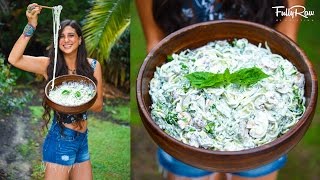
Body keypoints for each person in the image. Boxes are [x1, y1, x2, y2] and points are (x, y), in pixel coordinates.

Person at [135, 0, 304, 179]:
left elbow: (287, 39)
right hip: (183, 134)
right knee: (190, 172)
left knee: (256, 171)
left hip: (265, 131)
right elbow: (155, 45)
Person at [8, 3, 103, 180]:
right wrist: (31, 25)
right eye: (61, 37)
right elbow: (14, 59)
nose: (66, 40)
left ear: (80, 39)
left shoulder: (93, 66)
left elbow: (97, 106)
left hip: (82, 140)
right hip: (61, 139)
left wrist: (78, 96)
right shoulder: (49, 65)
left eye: (71, 36)